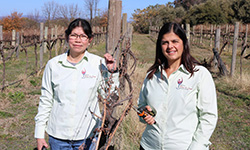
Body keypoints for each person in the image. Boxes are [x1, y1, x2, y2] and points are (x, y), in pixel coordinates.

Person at [34, 18, 119, 150]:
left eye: (83, 36)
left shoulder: (98, 63)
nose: (78, 40)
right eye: (74, 35)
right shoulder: (54, 65)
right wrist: (39, 135)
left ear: (89, 40)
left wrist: (112, 72)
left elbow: (110, 96)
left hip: (88, 135)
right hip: (58, 136)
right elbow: (46, 100)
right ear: (67, 37)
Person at [137, 22, 218, 150]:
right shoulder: (151, 76)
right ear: (160, 45)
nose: (170, 46)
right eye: (165, 42)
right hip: (149, 146)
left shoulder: (199, 75)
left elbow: (209, 116)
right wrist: (144, 114)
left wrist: (197, 147)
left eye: (175, 41)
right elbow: (141, 107)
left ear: (184, 43)